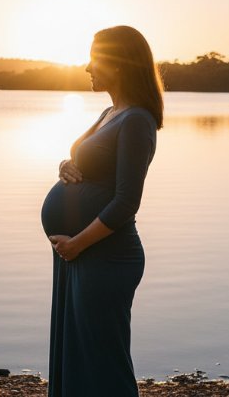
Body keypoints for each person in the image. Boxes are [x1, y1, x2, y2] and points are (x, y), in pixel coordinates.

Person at [41, 25, 164, 397]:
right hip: (79, 253)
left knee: (104, 362)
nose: (86, 66)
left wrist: (78, 243)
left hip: (106, 256)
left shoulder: (137, 121)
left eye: (95, 57)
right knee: (77, 353)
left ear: (120, 64)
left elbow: (127, 202)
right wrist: (65, 164)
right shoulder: (111, 112)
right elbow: (89, 161)